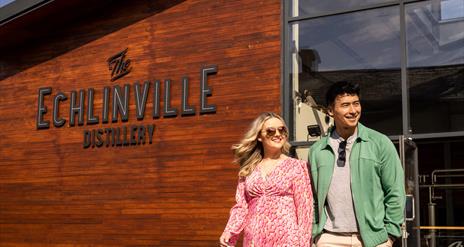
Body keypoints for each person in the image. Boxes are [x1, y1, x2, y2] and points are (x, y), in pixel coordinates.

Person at [308, 81, 405, 247]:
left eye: (356, 104)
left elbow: (395, 191)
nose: (353, 111)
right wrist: (316, 233)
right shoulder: (317, 150)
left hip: (374, 240)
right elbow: (313, 198)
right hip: (330, 239)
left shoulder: (380, 143)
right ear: (331, 110)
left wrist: (390, 235)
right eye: (345, 105)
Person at [219, 112, 313, 247]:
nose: (277, 134)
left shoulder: (297, 167)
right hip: (254, 239)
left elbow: (305, 211)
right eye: (270, 131)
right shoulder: (248, 169)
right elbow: (241, 206)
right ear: (259, 136)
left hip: (287, 240)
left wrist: (303, 243)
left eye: (282, 130)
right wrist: (230, 230)